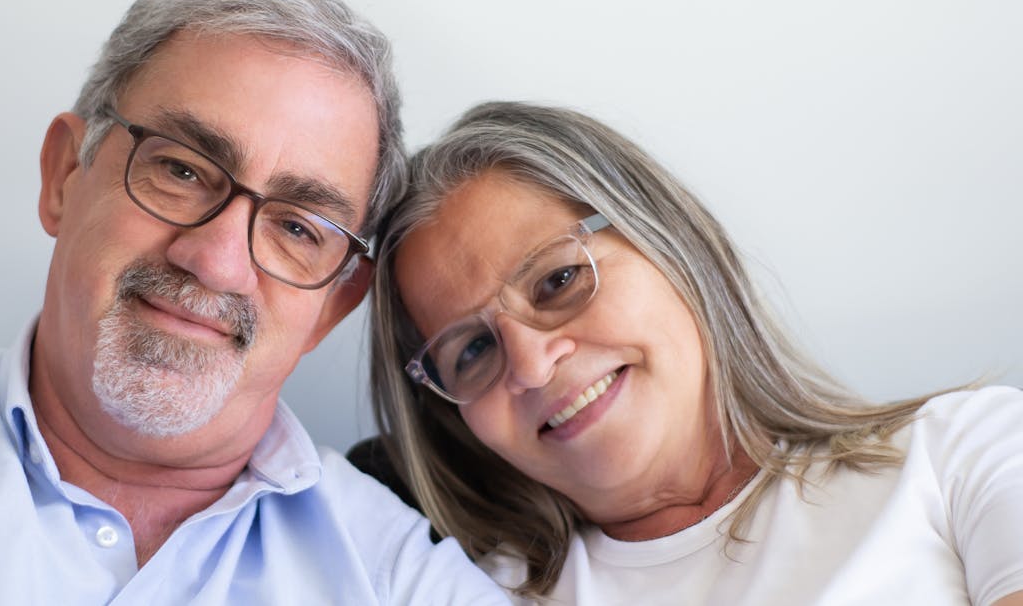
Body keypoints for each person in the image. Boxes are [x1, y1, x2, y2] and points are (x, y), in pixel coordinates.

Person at [0, 0, 508, 604]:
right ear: (64, 176)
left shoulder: (401, 578)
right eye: (181, 170)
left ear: (333, 302)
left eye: (297, 228)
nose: (216, 263)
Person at [366, 100, 1023, 604]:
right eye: (474, 349)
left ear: (669, 242)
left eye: (558, 280)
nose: (533, 365)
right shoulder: (464, 590)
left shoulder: (963, 453)